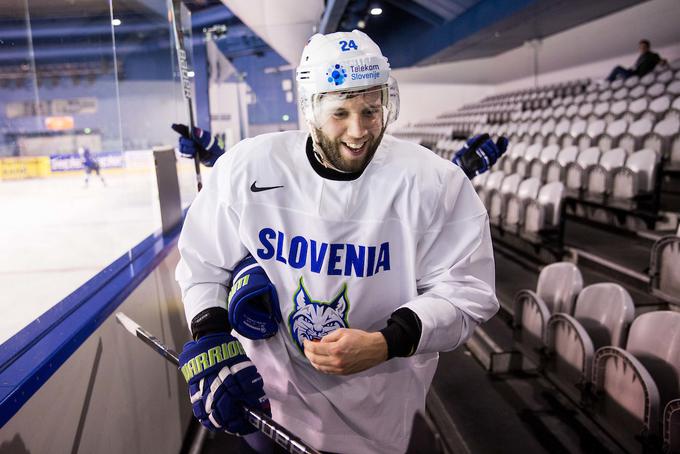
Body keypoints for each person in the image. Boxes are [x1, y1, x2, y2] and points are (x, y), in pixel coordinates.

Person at [175, 30, 500, 454]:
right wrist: (212, 336)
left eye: (370, 110)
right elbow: (203, 264)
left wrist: (388, 342)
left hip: (376, 423)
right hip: (269, 408)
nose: (358, 131)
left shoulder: (434, 183)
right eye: (340, 113)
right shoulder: (247, 167)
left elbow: (468, 292)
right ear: (310, 111)